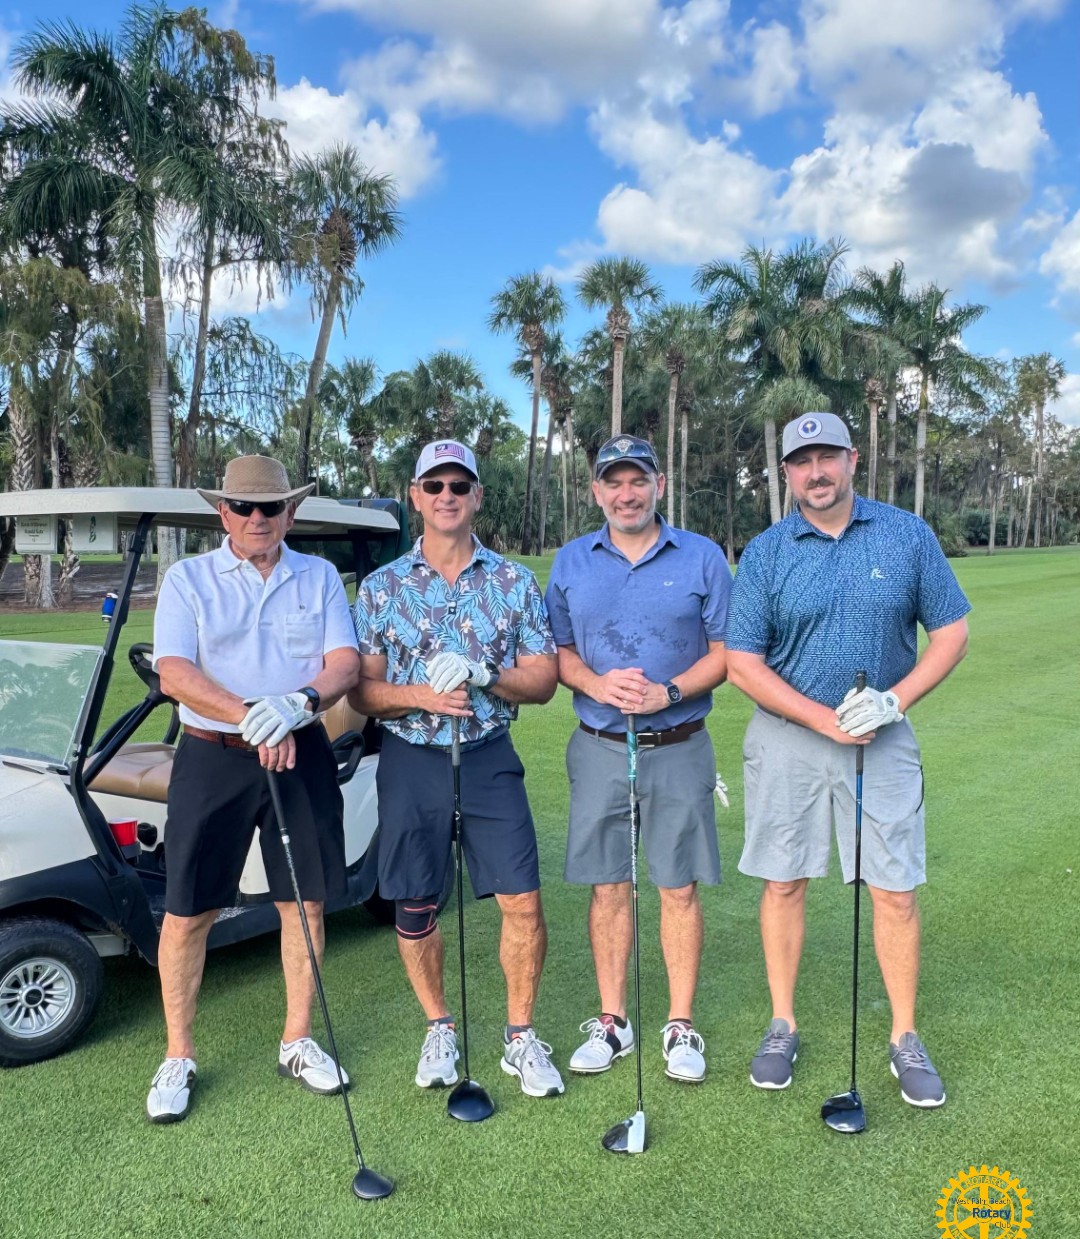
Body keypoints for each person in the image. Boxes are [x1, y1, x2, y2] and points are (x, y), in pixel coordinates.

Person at [725, 412, 970, 1108]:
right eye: (802, 461)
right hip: (788, 738)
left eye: (827, 456)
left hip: (882, 738)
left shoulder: (906, 534)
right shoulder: (768, 551)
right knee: (783, 881)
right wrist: (822, 719)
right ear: (786, 473)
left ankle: (904, 1036)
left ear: (853, 459)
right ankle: (782, 1024)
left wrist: (894, 701)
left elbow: (952, 633)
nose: (817, 472)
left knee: (894, 888)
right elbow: (742, 662)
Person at [146, 455, 360, 1123]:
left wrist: (296, 705)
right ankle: (178, 1054)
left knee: (306, 902)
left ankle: (297, 1039)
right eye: (244, 507)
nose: (258, 518)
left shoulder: (318, 576)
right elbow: (174, 671)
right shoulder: (188, 579)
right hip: (213, 755)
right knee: (188, 910)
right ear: (224, 513)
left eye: (272, 507)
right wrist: (253, 717)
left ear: (292, 513)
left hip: (301, 748)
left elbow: (343, 664)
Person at [351, 440, 564, 1098]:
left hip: (487, 755)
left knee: (522, 900)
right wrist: (420, 694)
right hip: (411, 757)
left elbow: (543, 679)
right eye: (435, 485)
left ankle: (520, 1036)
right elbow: (363, 692)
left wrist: (483, 675)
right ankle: (438, 1026)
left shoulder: (513, 582)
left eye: (459, 485)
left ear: (477, 497)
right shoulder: (381, 587)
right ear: (415, 496)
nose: (447, 496)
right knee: (414, 901)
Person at [545, 434, 733, 1083]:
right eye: (614, 482)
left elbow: (726, 653)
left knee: (677, 887)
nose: (627, 494)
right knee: (608, 887)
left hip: (679, 744)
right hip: (599, 747)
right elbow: (560, 652)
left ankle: (680, 1024)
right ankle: (613, 1021)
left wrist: (669, 691)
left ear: (659, 485)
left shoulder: (702, 557)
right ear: (596, 491)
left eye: (638, 480)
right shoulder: (572, 561)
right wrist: (597, 685)